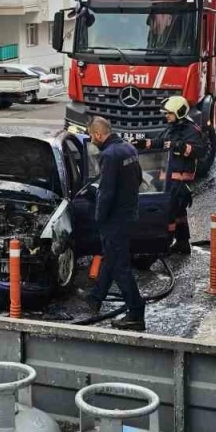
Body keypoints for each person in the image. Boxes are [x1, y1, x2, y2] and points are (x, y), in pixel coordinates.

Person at [85, 115, 145, 332]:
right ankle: (96, 298)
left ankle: (136, 312)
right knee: (111, 259)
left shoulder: (109, 155)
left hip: (114, 220)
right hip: (129, 214)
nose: (91, 140)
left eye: (92, 135)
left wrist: (99, 219)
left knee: (120, 267)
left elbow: (106, 192)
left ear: (99, 134)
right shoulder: (128, 149)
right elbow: (138, 180)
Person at [133, 95, 206, 254]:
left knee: (168, 214)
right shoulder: (171, 127)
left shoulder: (192, 130)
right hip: (168, 178)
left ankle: (165, 244)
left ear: (179, 112)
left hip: (180, 180)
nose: (166, 115)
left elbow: (200, 151)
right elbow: (161, 142)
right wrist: (144, 143)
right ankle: (182, 243)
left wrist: (180, 147)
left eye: (169, 113)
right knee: (179, 213)